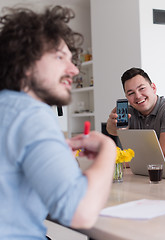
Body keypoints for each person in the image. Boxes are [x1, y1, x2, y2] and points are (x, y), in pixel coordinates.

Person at [0, 6, 116, 239]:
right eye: (59, 56)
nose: (73, 70)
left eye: (72, 60)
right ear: (24, 62)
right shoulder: (31, 114)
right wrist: (108, 149)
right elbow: (80, 212)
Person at [106, 68, 165, 156]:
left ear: (153, 88)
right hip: (138, 169)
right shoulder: (129, 112)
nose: (138, 96)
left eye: (142, 88)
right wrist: (112, 126)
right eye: (131, 93)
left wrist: (124, 161)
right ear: (126, 97)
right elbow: (111, 130)